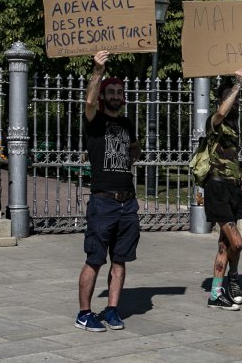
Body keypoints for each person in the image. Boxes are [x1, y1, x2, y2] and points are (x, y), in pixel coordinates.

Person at [76, 50, 141, 332]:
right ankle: (84, 313)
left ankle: (113, 310)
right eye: (110, 91)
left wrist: (134, 152)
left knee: (120, 260)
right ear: (104, 96)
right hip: (103, 203)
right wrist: (97, 70)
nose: (116, 95)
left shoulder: (126, 123)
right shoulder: (95, 120)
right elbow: (88, 101)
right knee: (94, 259)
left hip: (128, 202)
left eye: (119, 91)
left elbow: (133, 151)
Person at [205, 70, 242, 311]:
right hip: (217, 187)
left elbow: (230, 156)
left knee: (225, 246)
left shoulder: (234, 126)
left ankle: (215, 293)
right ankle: (234, 278)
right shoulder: (214, 121)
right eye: (232, 97)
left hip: (231, 188)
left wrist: (239, 176)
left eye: (238, 97)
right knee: (237, 243)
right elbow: (222, 111)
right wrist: (237, 84)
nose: (236, 101)